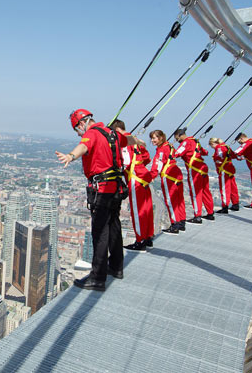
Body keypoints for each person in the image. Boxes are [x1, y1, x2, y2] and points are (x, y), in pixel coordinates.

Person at [55, 109, 134, 291]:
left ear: (82, 123)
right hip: (116, 187)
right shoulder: (111, 133)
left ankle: (97, 278)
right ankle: (116, 267)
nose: (77, 133)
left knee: (100, 232)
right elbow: (128, 140)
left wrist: (71, 156)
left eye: (76, 129)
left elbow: (83, 147)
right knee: (114, 225)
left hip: (102, 189)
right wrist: (139, 141)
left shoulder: (91, 134)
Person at [111, 120, 154, 252]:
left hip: (135, 179)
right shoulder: (136, 140)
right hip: (143, 177)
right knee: (146, 210)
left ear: (117, 130)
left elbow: (126, 162)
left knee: (138, 211)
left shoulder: (125, 142)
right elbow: (147, 157)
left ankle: (140, 241)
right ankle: (147, 237)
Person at [173, 128, 215, 223]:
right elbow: (204, 152)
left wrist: (169, 150)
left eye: (176, 138)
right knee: (205, 191)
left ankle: (197, 216)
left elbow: (176, 154)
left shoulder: (185, 143)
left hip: (195, 170)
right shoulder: (195, 141)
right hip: (203, 168)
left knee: (196, 193)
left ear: (179, 135)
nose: (176, 140)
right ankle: (210, 213)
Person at [149, 130, 186, 233]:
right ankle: (182, 222)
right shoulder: (169, 145)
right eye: (152, 138)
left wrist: (152, 175)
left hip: (168, 176)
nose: (152, 140)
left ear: (160, 138)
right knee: (179, 200)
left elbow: (158, 164)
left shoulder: (161, 150)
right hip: (177, 174)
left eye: (154, 138)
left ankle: (175, 224)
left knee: (170, 201)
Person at [209, 137, 240, 213]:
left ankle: (225, 206)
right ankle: (235, 204)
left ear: (213, 144)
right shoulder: (226, 147)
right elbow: (234, 156)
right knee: (233, 187)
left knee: (224, 188)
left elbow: (220, 156)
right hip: (230, 169)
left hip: (224, 170)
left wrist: (218, 160)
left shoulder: (219, 148)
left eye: (211, 145)